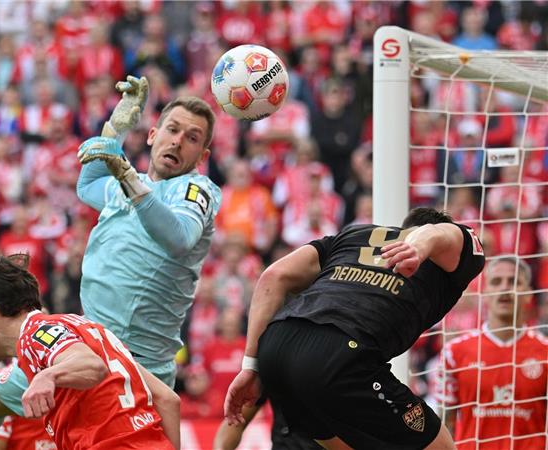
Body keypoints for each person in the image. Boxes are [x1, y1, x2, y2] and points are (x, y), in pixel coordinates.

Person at [224, 207, 486, 449]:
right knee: (440, 446)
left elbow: (273, 275)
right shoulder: (447, 257)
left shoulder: (351, 235)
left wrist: (251, 365)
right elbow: (442, 233)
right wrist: (417, 247)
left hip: (275, 349)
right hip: (339, 355)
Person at [0, 254, 180, 450]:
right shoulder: (93, 330)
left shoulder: (35, 336)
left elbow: (90, 366)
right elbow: (168, 399)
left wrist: (48, 377)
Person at [75, 76, 222, 386]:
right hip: (89, 345)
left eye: (192, 138)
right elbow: (87, 185)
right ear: (152, 135)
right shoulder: (130, 183)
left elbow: (180, 238)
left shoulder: (195, 189)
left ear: (202, 157)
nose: (178, 141)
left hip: (138, 365)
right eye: (172, 130)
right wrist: (115, 127)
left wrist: (127, 175)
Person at [439, 258, 547, 449]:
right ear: (485, 292)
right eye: (497, 282)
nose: (505, 288)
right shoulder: (454, 352)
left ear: (529, 294)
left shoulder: (545, 352)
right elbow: (446, 422)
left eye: (513, 282)